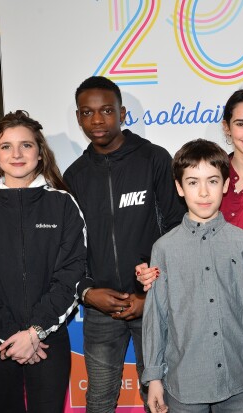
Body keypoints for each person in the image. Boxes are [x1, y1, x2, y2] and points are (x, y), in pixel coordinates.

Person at [137, 87, 243, 412]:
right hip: (188, 357)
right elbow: (167, 237)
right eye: (241, 123)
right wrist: (147, 269)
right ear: (227, 127)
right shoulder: (206, 165)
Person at [0, 110, 87, 413]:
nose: (17, 154)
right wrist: (13, 336)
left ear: (40, 154)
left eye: (26, 145)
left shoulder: (63, 204)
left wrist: (35, 332)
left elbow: (72, 273)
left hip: (46, 342)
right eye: (6, 146)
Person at [63, 76, 185, 413]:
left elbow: (176, 229)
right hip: (100, 309)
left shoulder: (154, 160)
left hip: (152, 306)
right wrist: (88, 291)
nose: (97, 120)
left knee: (160, 399)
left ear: (123, 113)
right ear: (78, 117)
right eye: (88, 113)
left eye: (106, 111)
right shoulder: (74, 176)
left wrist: (150, 296)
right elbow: (69, 247)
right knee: (99, 400)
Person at [142, 139, 243, 413]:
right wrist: (154, 377)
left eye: (212, 181)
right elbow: (156, 317)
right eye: (192, 182)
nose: (203, 192)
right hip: (184, 383)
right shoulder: (164, 248)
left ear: (225, 185)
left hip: (237, 381)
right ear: (179, 188)